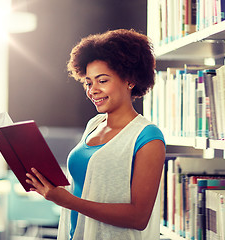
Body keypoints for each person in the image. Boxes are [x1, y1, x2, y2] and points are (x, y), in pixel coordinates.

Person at [25, 29, 166, 240]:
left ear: (130, 80)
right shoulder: (94, 124)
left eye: (102, 80)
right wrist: (51, 188)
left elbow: (138, 217)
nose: (92, 91)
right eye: (88, 82)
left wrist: (66, 200)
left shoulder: (147, 137)